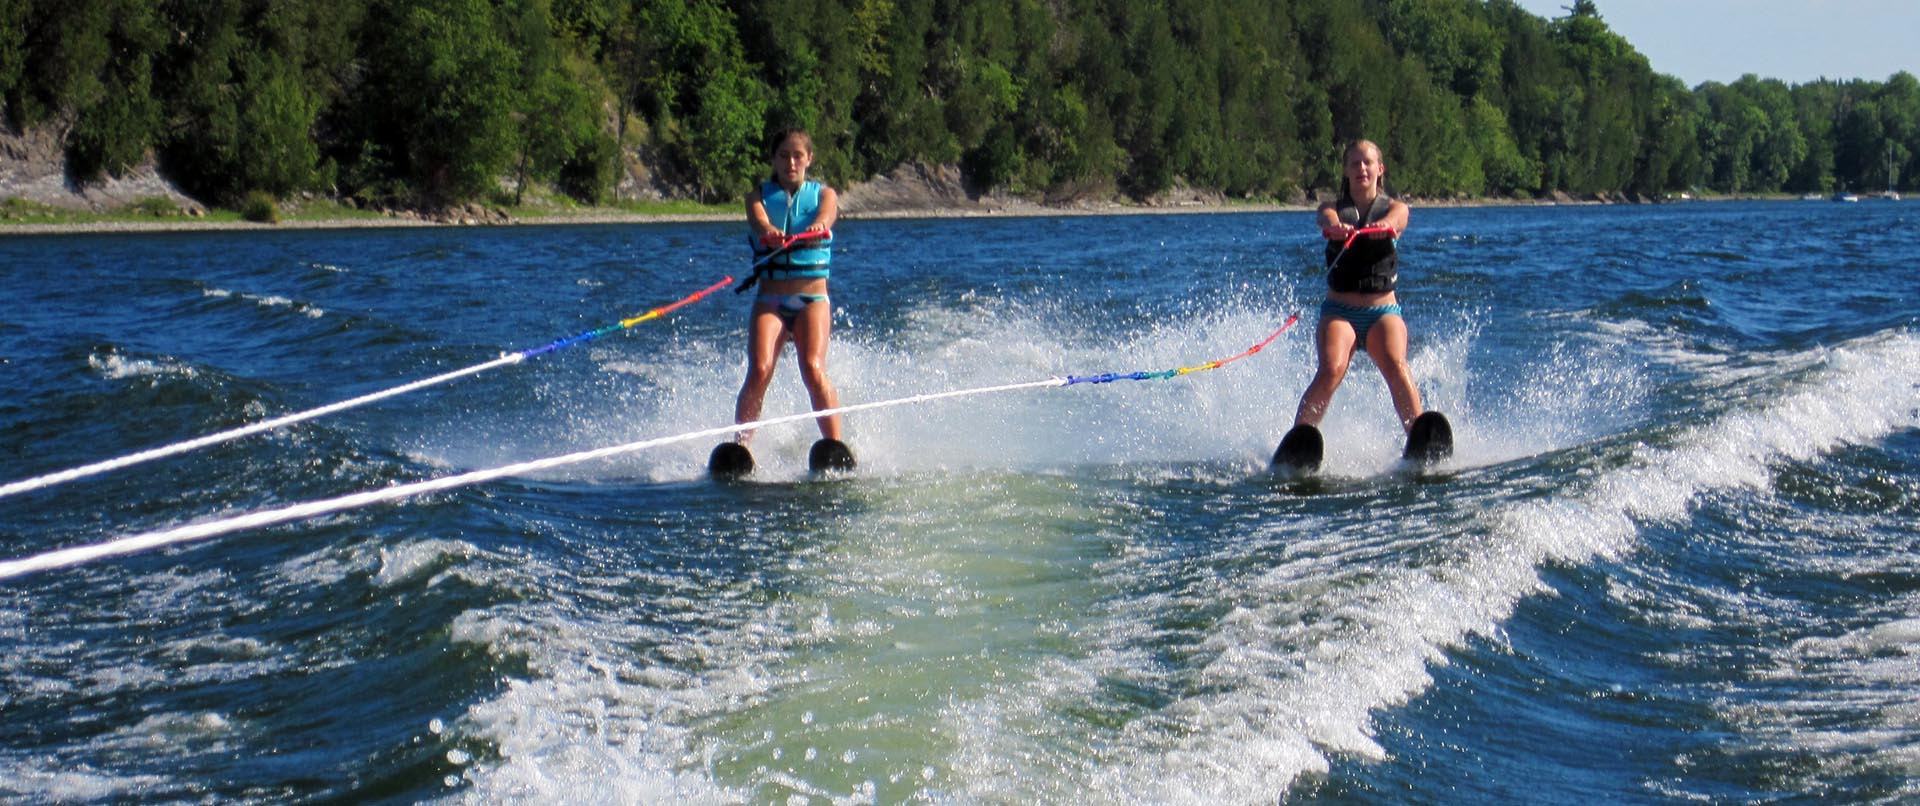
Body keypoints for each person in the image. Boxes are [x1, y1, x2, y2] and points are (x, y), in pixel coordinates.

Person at [1291, 138, 1424, 435]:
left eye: (1367, 162)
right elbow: (1325, 218)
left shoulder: (1395, 208)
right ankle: (1299, 439)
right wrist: (1335, 228)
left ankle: (1419, 436)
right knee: (1332, 369)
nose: (1361, 167)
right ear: (1346, 171)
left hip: (1383, 312)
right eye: (1355, 163)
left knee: (1396, 365)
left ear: (1380, 169)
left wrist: (1384, 226)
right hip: (1340, 312)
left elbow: (1399, 218)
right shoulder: (1331, 209)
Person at [733, 128, 842, 444]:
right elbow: (758, 220)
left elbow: (827, 214)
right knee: (760, 369)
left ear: (809, 158)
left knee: (812, 367)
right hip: (772, 300)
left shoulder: (825, 195)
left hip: (811, 299)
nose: (790, 162)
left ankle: (834, 444)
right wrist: (768, 230)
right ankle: (741, 448)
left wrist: (819, 225)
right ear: (774, 159)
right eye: (783, 155)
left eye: (797, 155)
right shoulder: (758, 196)